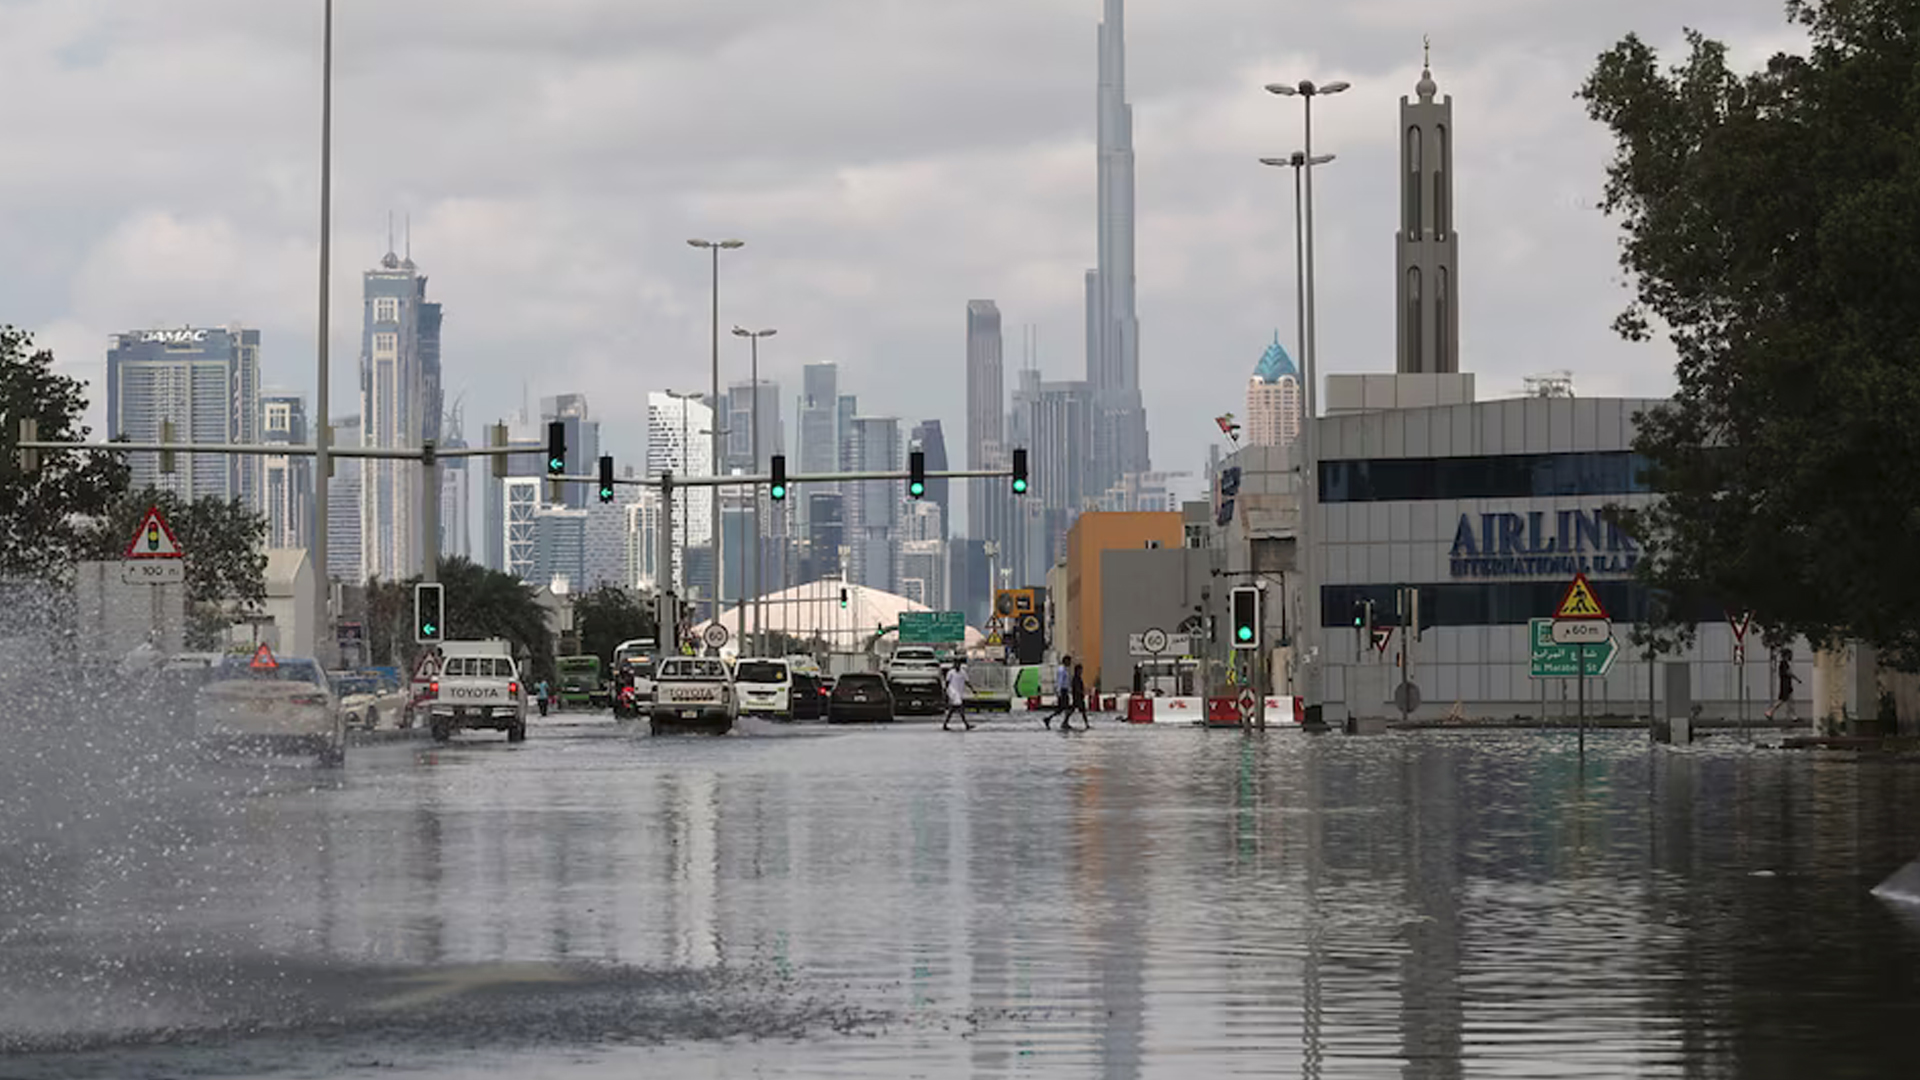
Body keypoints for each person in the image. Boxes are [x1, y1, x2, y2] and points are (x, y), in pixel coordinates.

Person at [1764, 649, 1799, 722]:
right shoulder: (1784, 664)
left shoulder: (1784, 663)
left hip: (1787, 684)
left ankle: (1794, 717)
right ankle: (1769, 712)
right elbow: (1788, 673)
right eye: (1789, 655)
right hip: (1785, 685)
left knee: (1790, 701)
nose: (1791, 656)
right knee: (1782, 700)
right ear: (1786, 655)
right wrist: (1797, 679)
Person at [1041, 655, 1073, 730]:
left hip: (1065, 691)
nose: (1070, 663)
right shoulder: (1062, 670)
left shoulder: (1065, 669)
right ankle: (1062, 722)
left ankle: (1052, 719)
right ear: (1065, 661)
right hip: (1062, 691)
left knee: (1062, 709)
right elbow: (1060, 681)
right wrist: (1059, 692)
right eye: (1069, 661)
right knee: (1066, 708)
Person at [943, 660, 974, 731]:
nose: (957, 666)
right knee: (960, 708)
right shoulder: (951, 673)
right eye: (956, 664)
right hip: (953, 692)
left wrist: (972, 689)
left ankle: (945, 724)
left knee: (952, 709)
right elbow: (947, 682)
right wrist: (946, 691)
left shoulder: (963, 673)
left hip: (959, 692)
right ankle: (966, 724)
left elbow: (967, 682)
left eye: (958, 665)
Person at [1063, 662, 1092, 731]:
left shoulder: (1078, 678)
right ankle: (1086, 724)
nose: (1081, 671)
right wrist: (1082, 692)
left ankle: (1065, 722)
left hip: (1078, 697)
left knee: (1075, 710)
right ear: (1077, 670)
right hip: (1077, 697)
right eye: (1080, 670)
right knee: (1081, 711)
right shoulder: (1076, 678)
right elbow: (1076, 688)